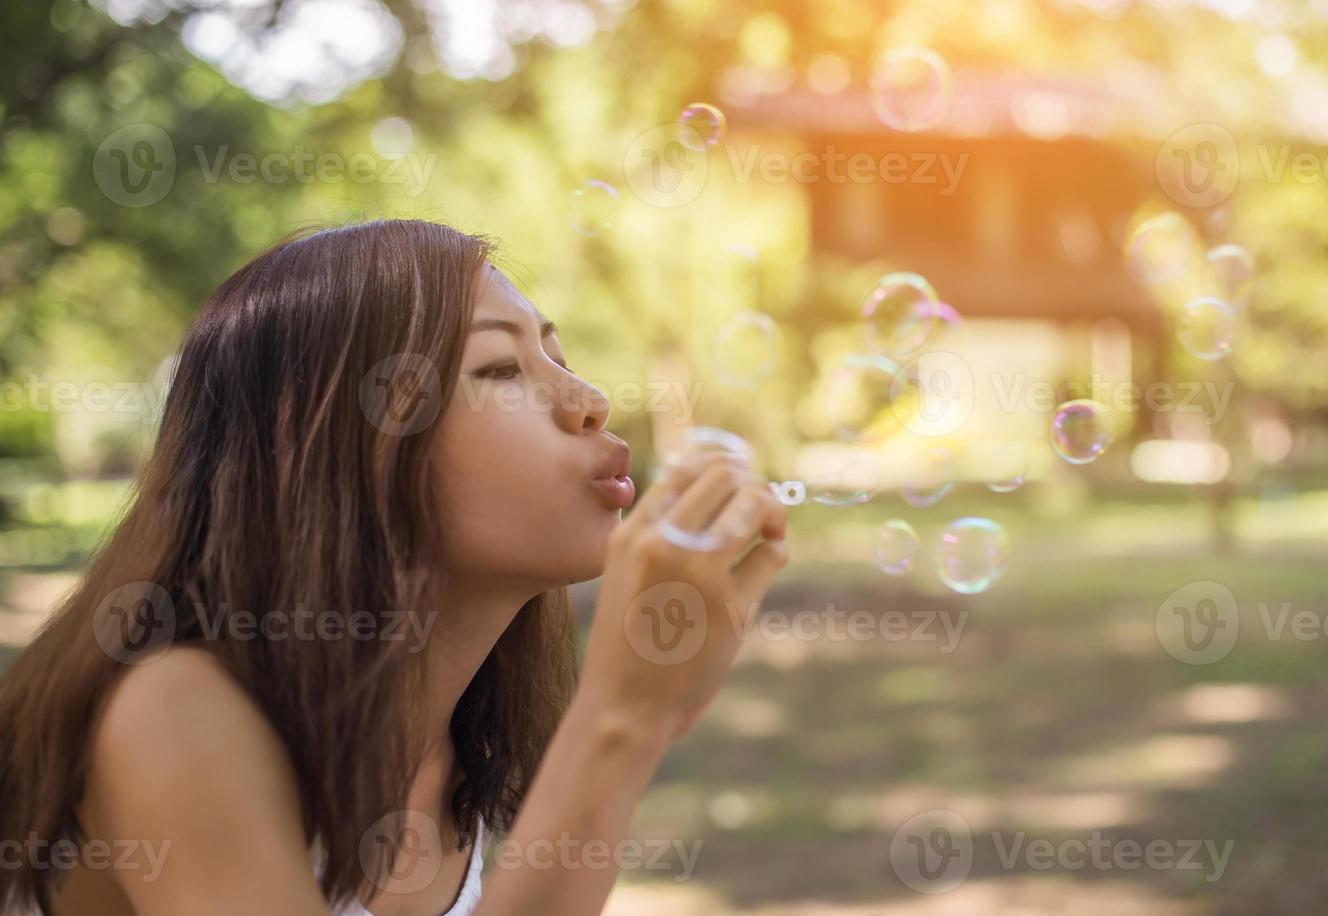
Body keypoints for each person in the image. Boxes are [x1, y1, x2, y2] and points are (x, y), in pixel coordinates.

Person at [0, 219, 790, 916]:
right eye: (500, 370)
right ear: (347, 451)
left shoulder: (451, 742)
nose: (589, 401)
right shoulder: (173, 708)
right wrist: (624, 720)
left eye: (558, 355)